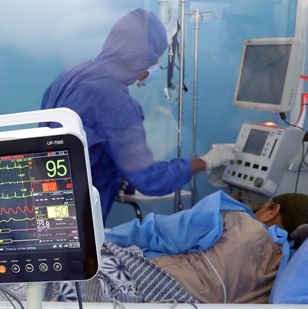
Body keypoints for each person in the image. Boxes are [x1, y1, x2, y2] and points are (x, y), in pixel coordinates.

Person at [41, 8, 235, 221]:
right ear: (143, 58)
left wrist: (119, 171)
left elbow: (80, 144)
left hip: (45, 202)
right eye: (155, 59)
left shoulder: (71, 75)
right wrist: (206, 161)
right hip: (78, 218)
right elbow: (151, 180)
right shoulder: (117, 103)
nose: (155, 66)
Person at [132, 193, 308, 309]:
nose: (255, 211)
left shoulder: (240, 221)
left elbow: (164, 232)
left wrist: (116, 238)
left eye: (262, 206)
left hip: (157, 285)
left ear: (272, 211)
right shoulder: (282, 274)